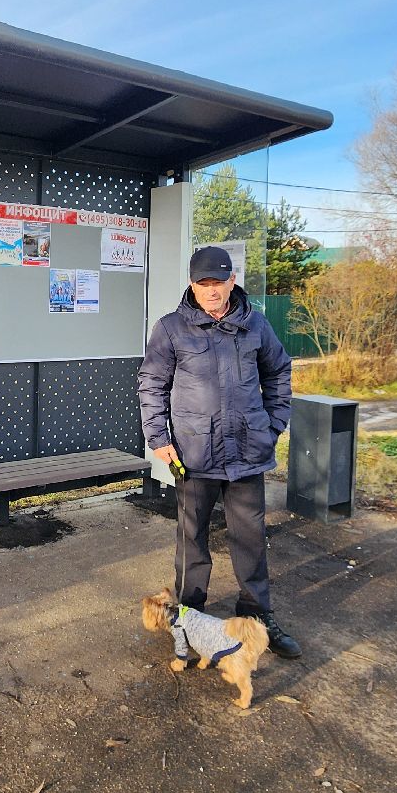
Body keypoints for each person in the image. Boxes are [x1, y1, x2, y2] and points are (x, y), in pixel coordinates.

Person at [137, 245, 301, 659]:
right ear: (192, 284)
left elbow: (279, 372)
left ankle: (258, 618)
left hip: (247, 451)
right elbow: (151, 384)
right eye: (202, 283)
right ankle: (190, 621)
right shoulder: (171, 328)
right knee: (192, 539)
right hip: (194, 454)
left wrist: (273, 424)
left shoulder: (255, 325)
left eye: (219, 282)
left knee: (250, 539)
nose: (211, 291)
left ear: (233, 280)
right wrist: (159, 439)